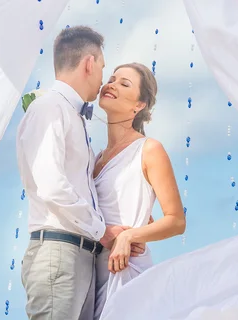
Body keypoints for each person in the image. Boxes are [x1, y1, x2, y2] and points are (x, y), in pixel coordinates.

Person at [16, 26, 145, 320]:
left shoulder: (69, 114)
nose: (102, 80)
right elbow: (51, 186)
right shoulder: (50, 108)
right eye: (102, 68)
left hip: (78, 257)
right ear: (89, 63)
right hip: (59, 255)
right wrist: (103, 231)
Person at [92, 63, 187, 319]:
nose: (111, 84)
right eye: (111, 79)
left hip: (127, 272)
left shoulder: (149, 150)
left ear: (139, 105)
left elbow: (176, 221)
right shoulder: (95, 159)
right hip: (92, 274)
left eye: (124, 84)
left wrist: (129, 236)